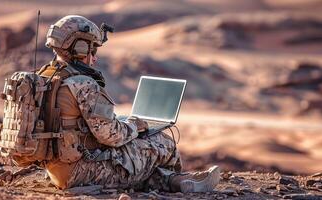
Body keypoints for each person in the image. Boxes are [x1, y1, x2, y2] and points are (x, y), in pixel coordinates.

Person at [11, 15, 220, 193]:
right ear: (81, 47)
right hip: (81, 171)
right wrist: (135, 126)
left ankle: (178, 182)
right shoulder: (82, 83)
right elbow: (112, 136)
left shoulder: (44, 76)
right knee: (162, 143)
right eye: (92, 49)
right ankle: (177, 180)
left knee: (134, 156)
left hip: (57, 170)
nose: (94, 57)